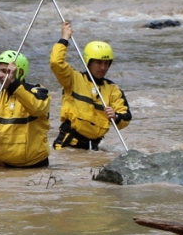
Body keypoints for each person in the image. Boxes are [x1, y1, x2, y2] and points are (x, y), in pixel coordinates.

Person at [49, 21, 131, 151]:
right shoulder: (73, 79)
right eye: (98, 63)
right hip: (68, 145)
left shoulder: (113, 90)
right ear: (89, 62)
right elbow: (55, 62)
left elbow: (126, 117)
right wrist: (65, 38)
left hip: (93, 149)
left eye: (106, 63)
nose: (103, 67)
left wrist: (115, 116)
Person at [0, 50, 51, 168]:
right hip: (3, 167)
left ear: (20, 72)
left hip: (35, 166)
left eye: (5, 71)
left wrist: (14, 84)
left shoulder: (38, 91)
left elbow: (38, 107)